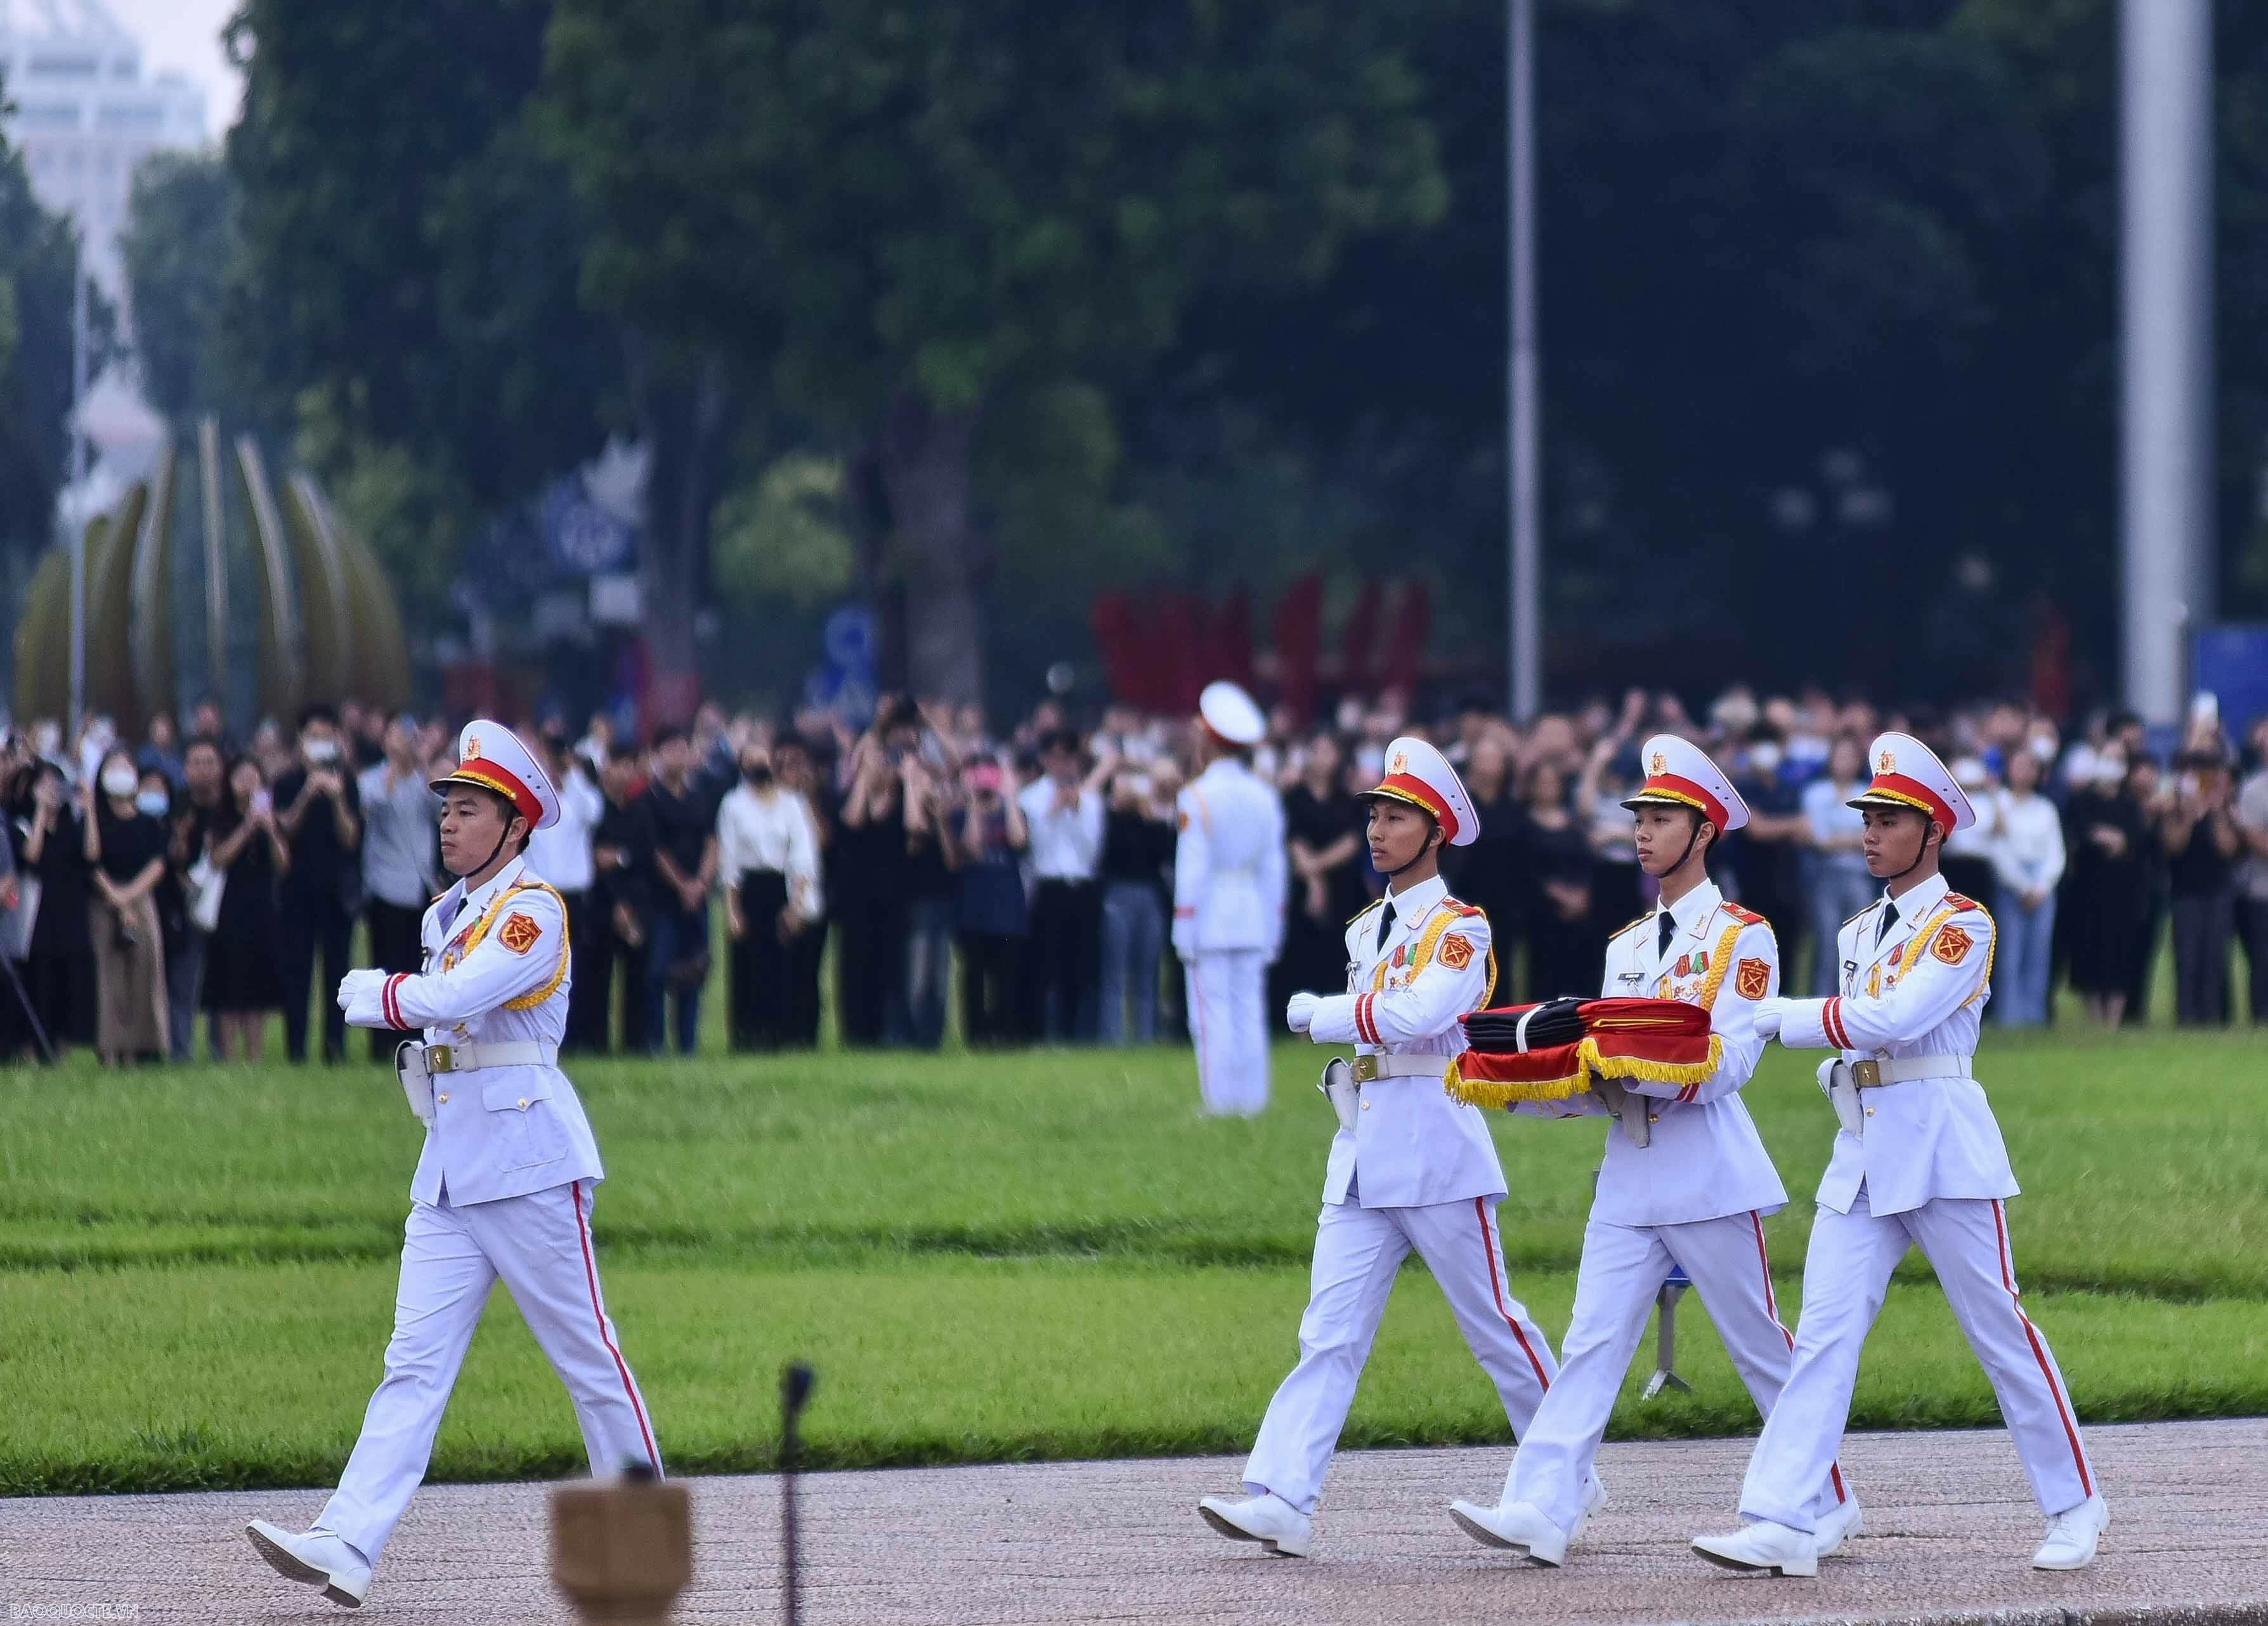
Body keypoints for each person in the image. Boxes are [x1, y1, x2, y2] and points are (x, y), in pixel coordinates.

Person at [247, 721, 659, 1611]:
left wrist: (373, 991)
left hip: (527, 1161)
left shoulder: (534, 908)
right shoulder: (448, 915)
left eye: (469, 809)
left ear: (514, 826)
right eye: (448, 807)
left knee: (588, 1356)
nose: (450, 823)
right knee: (413, 1362)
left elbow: (458, 998)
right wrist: (401, 995)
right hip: (449, 1168)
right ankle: (348, 1539)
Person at [1693, 733, 2103, 1577]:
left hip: (1944, 1145)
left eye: (1889, 819)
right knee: (1824, 1337)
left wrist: (1776, 1014)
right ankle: (1783, 1514)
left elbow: (1893, 1019)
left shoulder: (1963, 925)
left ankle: (2074, 1503)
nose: (1871, 833)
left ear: (1933, 831)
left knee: (1998, 1329)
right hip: (1868, 1145)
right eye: (1869, 818)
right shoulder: (1860, 928)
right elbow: (1865, 1032)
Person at [1449, 736, 1855, 1567]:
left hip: (1708, 1168)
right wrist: (1548, 1084)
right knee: (1594, 1340)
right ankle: (1543, 1504)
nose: (1643, 832)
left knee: (1761, 1348)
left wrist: (1642, 1070)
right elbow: (1606, 1053)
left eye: (1662, 818)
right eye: (1639, 817)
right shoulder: (1628, 943)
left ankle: (1827, 1497)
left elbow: (1734, 1060)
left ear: (1702, 831)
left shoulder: (1745, 935)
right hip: (1630, 1170)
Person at [1197, 737, 1560, 1558]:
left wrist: (1317, 1011)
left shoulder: (1460, 926)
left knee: (1496, 1326)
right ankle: (1284, 1494)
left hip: (1437, 1142)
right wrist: (1340, 1013)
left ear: (1434, 831)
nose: (1376, 829)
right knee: (1329, 1331)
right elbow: (1385, 1017)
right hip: (1364, 1145)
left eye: (1395, 816)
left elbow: (1416, 1017)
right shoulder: (1370, 927)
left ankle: (1562, 1474)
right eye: (1373, 814)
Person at [1171, 683, 1286, 1113]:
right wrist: (1274, 924)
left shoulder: (1196, 795)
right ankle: (1252, 1100)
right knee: (1248, 1011)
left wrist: (1184, 926)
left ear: (1208, 739)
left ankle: (1220, 1102)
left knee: (1211, 1014)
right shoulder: (1265, 795)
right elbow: (1274, 869)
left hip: (1211, 915)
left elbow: (1192, 870)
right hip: (1253, 912)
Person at [717, 740, 823, 1051]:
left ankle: (779, 1035)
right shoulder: (733, 805)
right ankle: (747, 1036)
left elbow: (802, 856)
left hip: (780, 888)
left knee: (780, 966)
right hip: (749, 890)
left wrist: (797, 904)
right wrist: (733, 911)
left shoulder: (792, 804)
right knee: (748, 966)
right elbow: (730, 862)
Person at [273, 705, 365, 1064]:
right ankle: (295, 1049)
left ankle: (334, 1047)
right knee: (297, 972)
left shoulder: (347, 782)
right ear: (300, 739)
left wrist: (338, 796)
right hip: (297, 891)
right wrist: (308, 794)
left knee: (337, 974)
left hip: (337, 891)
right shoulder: (286, 782)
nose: (319, 744)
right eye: (313, 736)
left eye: (326, 737)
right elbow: (285, 830)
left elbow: (351, 838)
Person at [359, 716, 442, 1059]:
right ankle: (382, 1044)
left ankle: (416, 1039)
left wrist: (423, 762)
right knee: (386, 966)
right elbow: (375, 806)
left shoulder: (424, 781)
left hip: (420, 885)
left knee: (418, 967)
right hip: (385, 884)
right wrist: (396, 764)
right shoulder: (371, 779)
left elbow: (442, 809)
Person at [1018, 728, 1105, 1041]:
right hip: (1047, 887)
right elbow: (1033, 849)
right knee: (1043, 965)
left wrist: (1077, 810)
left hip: (1080, 887)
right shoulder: (1029, 798)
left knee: (1077, 967)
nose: (1063, 765)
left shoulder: (1092, 802)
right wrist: (1053, 812)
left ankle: (1074, 1032)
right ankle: (1040, 1033)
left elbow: (1091, 851)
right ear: (1045, 760)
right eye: (1056, 758)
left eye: (1068, 758)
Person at [525, 729, 608, 1053]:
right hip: (543, 892)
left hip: (576, 894)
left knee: (581, 968)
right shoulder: (533, 795)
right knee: (543, 971)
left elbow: (594, 811)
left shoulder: (578, 793)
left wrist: (572, 774)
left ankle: (584, 1038)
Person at [203, 756, 290, 1063]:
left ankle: (255, 1056)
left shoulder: (270, 816)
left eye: (253, 776)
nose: (247, 782)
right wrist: (247, 826)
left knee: (257, 987)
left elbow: (283, 863)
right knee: (230, 985)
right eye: (241, 776)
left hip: (263, 907)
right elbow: (218, 858)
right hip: (230, 907)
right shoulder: (221, 816)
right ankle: (227, 1055)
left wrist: (268, 828)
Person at [86, 749, 171, 1065]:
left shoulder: (150, 822)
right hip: (103, 901)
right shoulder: (97, 818)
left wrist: (129, 898)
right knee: (109, 977)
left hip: (140, 901)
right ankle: (110, 1048)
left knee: (144, 973)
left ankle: (143, 1047)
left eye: (126, 766)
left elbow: (159, 864)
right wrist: (115, 898)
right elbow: (91, 861)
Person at [1275, 732, 1369, 1016]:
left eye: (1329, 750)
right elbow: (1294, 839)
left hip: (1343, 885)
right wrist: (1314, 880)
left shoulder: (1347, 799)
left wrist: (1317, 867)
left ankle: (1337, 1015)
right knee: (1302, 950)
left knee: (1339, 949)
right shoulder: (1295, 798)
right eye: (1316, 750)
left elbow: (1353, 842)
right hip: (1302, 884)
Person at [640, 728, 717, 1056]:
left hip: (697, 899)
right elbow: (656, 850)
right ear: (658, 755)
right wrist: (682, 884)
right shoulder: (650, 798)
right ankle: (656, 1043)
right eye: (670, 748)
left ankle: (689, 1045)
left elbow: (713, 841)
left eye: (682, 748)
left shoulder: (700, 796)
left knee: (694, 971)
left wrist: (700, 882)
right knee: (658, 972)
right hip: (663, 901)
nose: (678, 755)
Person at [943, 755, 1029, 1046]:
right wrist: (972, 805)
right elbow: (972, 848)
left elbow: (1019, 841)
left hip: (1009, 910)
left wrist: (1011, 799)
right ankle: (976, 1036)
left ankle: (1005, 1034)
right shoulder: (959, 815)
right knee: (974, 977)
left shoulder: (1013, 811)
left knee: (1006, 978)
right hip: (974, 908)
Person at [16, 760, 97, 1056]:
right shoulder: (25, 822)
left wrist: (89, 808)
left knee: (67, 980)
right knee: (39, 978)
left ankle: (62, 1045)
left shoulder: (73, 826)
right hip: (38, 912)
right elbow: (32, 856)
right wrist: (41, 812)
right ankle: (34, 1044)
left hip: (70, 912)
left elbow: (92, 854)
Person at [2061, 752, 2148, 1028]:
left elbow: (2140, 842)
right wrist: (2097, 837)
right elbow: (2074, 833)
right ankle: (2094, 1016)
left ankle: (2114, 1018)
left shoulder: (2130, 804)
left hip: (2123, 892)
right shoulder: (2082, 801)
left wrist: (2121, 841)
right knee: (2090, 949)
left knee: (2119, 951)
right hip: (2088, 890)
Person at [1098, 756, 1178, 1044]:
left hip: (1150, 895)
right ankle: (1113, 1037)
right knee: (1115, 972)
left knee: (1147, 972)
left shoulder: (1154, 822)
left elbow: (1165, 854)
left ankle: (1145, 1036)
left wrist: (1152, 815)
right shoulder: (1111, 820)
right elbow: (1109, 855)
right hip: (1119, 894)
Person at [2161, 748, 2241, 1026]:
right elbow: (2174, 846)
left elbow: (2228, 848)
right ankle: (2186, 1016)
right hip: (2185, 892)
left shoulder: (2226, 809)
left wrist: (2217, 811)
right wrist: (2188, 814)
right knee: (2187, 957)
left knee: (2215, 956)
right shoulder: (2175, 809)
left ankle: (2211, 1017)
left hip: (2218, 891)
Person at [1989, 745, 2064, 1026]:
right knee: (2011, 954)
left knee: (2038, 954)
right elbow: (1997, 849)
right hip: (2012, 884)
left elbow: (2056, 852)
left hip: (2042, 885)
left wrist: (2042, 886)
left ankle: (2034, 1018)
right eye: (2018, 765)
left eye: (2029, 767)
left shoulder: (2045, 808)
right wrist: (2022, 886)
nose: (2023, 772)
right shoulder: (2000, 803)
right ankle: (2010, 1018)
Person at [166, 737, 230, 1061]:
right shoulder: (176, 806)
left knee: (222, 980)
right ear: (186, 769)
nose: (204, 770)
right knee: (184, 981)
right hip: (185, 905)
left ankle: (221, 1050)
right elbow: (170, 857)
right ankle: (181, 1049)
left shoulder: (229, 808)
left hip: (227, 906)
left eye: (210, 761)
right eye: (197, 762)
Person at [589, 747, 656, 1054]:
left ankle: (637, 1045)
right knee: (596, 977)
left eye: (628, 766)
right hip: (600, 904)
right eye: (617, 765)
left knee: (638, 979)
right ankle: (594, 1044)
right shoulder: (595, 807)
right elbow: (592, 858)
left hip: (637, 902)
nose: (622, 773)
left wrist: (617, 857)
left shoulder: (642, 809)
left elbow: (644, 855)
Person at [1800, 735, 1875, 995]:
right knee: (1826, 944)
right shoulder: (1815, 793)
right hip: (1826, 876)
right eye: (1840, 756)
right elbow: (1818, 840)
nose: (1844, 762)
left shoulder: (1868, 792)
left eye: (1850, 757)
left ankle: (1856, 1002)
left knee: (1860, 944)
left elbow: (1869, 839)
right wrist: (1852, 839)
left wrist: (1837, 839)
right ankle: (1822, 1005)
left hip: (1860, 876)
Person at [772, 732, 834, 1046]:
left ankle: (807, 1036)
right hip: (776, 895)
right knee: (781, 971)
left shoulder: (810, 802)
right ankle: (781, 1034)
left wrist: (807, 797)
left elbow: (821, 841)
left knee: (809, 973)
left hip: (810, 899)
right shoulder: (770, 803)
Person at [1518, 757, 1595, 999]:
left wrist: (1582, 896)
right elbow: (1526, 871)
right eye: (1542, 782)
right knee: (1544, 986)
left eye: (1552, 782)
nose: (1547, 787)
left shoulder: (1574, 826)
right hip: (1543, 918)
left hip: (1579, 919)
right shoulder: (1524, 826)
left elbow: (1586, 863)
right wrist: (1559, 895)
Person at [2238, 720, 2268, 1023]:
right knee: (2264, 961)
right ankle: (2262, 1020)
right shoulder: (2255, 789)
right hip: (2263, 892)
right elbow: (2255, 837)